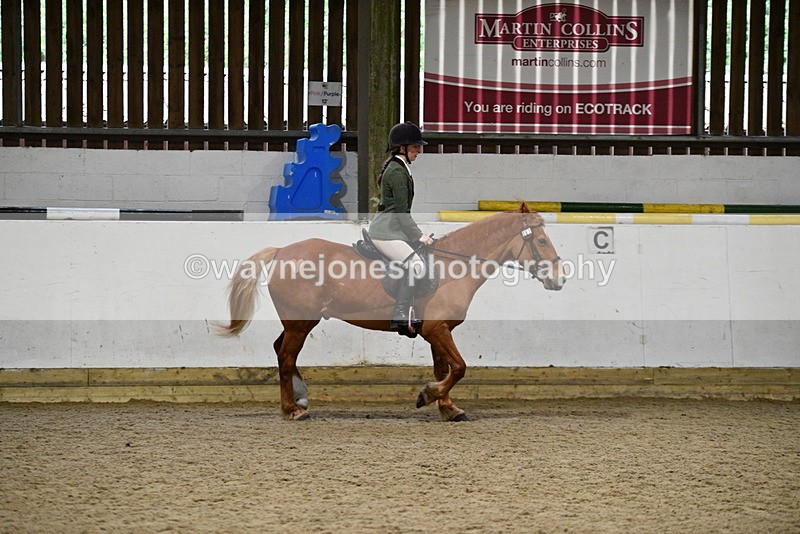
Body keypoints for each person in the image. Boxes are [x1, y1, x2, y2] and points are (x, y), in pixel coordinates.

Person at [368, 122, 434, 334]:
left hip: (393, 229)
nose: (419, 151)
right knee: (417, 266)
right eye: (415, 147)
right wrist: (419, 236)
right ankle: (400, 313)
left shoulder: (400, 168)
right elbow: (401, 214)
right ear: (402, 148)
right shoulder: (397, 172)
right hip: (386, 232)